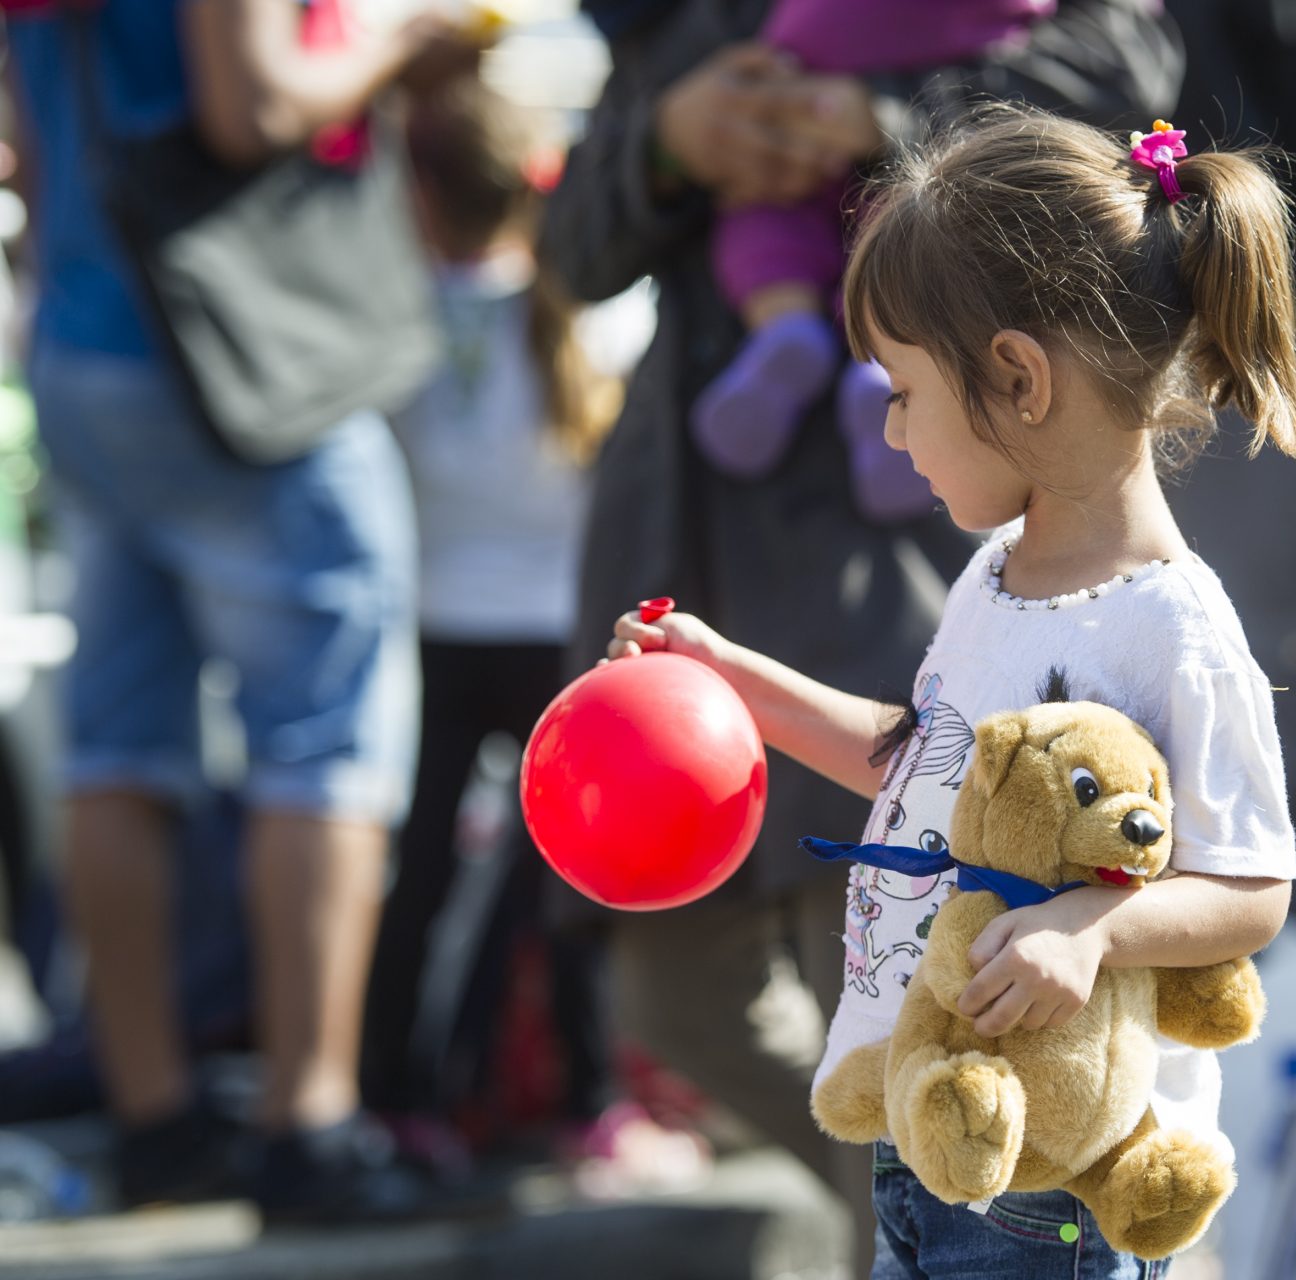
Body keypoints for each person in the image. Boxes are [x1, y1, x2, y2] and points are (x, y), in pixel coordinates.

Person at [606, 105, 1296, 1277]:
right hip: (934, 1142)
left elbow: (1252, 884)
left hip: (1059, 1192)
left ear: (1018, 377)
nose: (890, 426)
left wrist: (1092, 922)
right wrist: (733, 678)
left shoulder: (1174, 624)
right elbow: (927, 767)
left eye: (904, 389)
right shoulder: (993, 576)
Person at [545, 3, 1176, 1268]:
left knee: (892, 979)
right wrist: (669, 140)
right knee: (675, 992)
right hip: (700, 504)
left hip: (913, 539)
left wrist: (883, 130)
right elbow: (574, 246)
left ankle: (944, 1219)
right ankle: (909, 1204)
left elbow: (1120, 105)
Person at [3, 0, 481, 1220]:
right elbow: (255, 102)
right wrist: (398, 45)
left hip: (85, 340)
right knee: (326, 743)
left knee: (115, 746)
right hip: (248, 369)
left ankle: (153, 1112)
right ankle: (306, 1122)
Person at [358, 73, 703, 1191]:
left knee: (414, 877)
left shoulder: (388, 314)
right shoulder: (592, 320)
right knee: (575, 878)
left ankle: (395, 1096)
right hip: (558, 639)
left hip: (432, 636)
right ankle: (588, 1098)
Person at [696, 0, 1061, 524]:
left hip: (798, 71)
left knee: (766, 213)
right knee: (904, 230)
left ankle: (785, 327)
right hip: (928, 85)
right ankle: (887, 369)